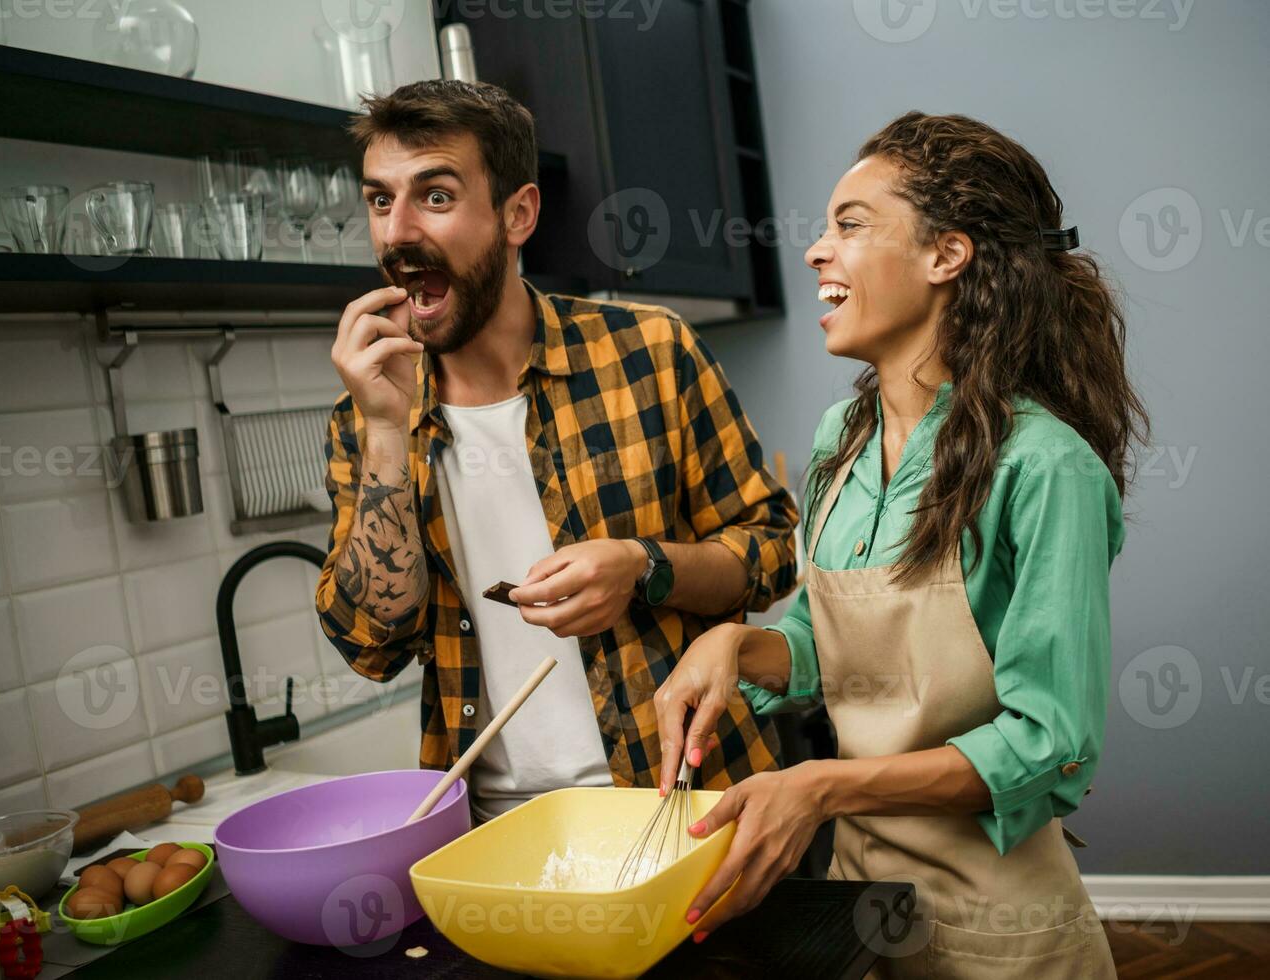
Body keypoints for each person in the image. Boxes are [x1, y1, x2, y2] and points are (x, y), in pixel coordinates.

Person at [653, 111, 1148, 977]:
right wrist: (733, 643)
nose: (816, 252)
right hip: (860, 901)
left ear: (945, 256)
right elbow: (825, 639)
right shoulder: (840, 437)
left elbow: (1050, 743)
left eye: (849, 226)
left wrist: (818, 788)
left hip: (996, 925)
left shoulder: (1044, 467)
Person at [314, 80, 799, 824]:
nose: (398, 233)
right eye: (381, 201)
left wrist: (644, 567)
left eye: (434, 197)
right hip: (494, 827)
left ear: (518, 214)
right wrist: (385, 432)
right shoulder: (365, 415)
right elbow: (371, 647)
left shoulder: (649, 353)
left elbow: (770, 554)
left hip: (685, 802)